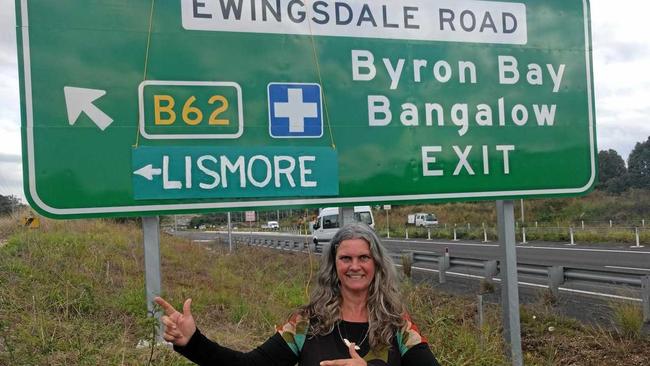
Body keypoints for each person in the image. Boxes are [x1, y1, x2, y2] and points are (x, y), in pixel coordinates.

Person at [155, 222, 440, 366]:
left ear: (376, 264)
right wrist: (192, 342)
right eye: (345, 258)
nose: (355, 266)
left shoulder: (397, 325)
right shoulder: (307, 323)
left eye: (364, 258)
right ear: (334, 265)